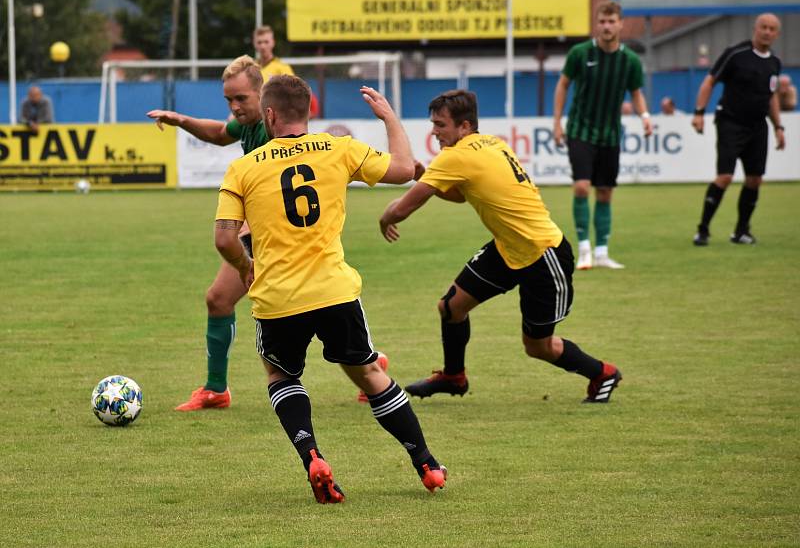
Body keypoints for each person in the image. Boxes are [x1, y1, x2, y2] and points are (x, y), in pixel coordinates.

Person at [214, 75, 446, 503]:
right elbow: (402, 170)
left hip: (278, 297)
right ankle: (427, 463)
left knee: (281, 375)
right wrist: (390, 118)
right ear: (309, 112)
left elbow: (225, 239)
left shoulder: (244, 167)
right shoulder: (338, 149)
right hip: (335, 292)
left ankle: (313, 456)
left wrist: (247, 269)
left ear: (269, 115)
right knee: (371, 374)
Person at [380, 90, 622, 405]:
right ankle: (454, 376)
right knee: (451, 307)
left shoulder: (457, 156)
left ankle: (603, 373)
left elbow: (401, 210)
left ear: (464, 127)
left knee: (538, 346)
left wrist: (386, 218)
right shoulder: (492, 143)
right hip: (509, 248)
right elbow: (461, 194)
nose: (434, 132)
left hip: (542, 253)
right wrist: (426, 175)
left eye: (440, 125)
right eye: (433, 124)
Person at [147, 56, 267, 411]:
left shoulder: (276, 129)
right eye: (229, 100)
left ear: (263, 92)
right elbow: (218, 133)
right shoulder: (248, 124)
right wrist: (180, 119)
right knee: (218, 299)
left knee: (311, 313)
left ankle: (371, 366)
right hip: (257, 234)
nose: (234, 107)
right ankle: (216, 390)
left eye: (241, 98)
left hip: (283, 237)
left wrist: (245, 227)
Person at [552, 0, 653, 270]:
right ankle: (584, 249)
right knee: (582, 186)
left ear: (620, 24)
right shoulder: (579, 53)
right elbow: (562, 86)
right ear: (597, 24)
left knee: (605, 193)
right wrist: (557, 123)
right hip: (580, 131)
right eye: (602, 21)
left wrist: (645, 117)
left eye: (612, 21)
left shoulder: (630, 60)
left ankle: (602, 252)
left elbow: (636, 93)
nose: (607, 26)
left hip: (609, 135)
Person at [691, 13, 786, 246]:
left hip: (758, 127)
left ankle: (741, 231)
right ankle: (703, 230)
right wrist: (699, 112)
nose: (767, 32)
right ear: (755, 28)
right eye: (763, 27)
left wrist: (778, 126)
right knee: (725, 176)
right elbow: (709, 81)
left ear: (777, 34)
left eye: (772, 29)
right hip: (730, 122)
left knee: (755, 180)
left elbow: (771, 96)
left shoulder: (774, 63)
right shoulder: (735, 54)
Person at [253, 25, 319, 118]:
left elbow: (297, 94)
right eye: (259, 42)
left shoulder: (283, 68)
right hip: (254, 118)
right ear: (254, 44)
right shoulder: (251, 69)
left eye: (266, 42)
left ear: (273, 43)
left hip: (274, 119)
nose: (263, 46)